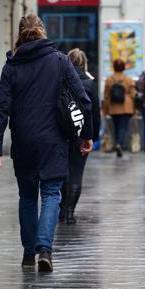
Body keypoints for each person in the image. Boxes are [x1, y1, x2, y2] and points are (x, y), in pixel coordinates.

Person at [0, 15, 93, 272]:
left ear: (20, 34)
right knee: (51, 194)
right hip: (53, 139)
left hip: (23, 140)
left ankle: (27, 254)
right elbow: (83, 99)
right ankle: (45, 249)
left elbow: (1, 109)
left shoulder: (11, 66)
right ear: (43, 32)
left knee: (27, 196)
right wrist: (85, 135)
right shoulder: (60, 61)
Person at [59, 49, 100, 225]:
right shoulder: (89, 84)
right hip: (81, 133)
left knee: (61, 172)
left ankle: (61, 208)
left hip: (60, 132)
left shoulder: (60, 80)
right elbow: (94, 111)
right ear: (84, 64)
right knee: (76, 173)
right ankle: (69, 213)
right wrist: (92, 135)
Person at [103, 59, 136, 157]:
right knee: (123, 126)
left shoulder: (109, 79)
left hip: (113, 107)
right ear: (124, 68)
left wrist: (105, 110)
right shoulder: (128, 79)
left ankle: (118, 143)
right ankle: (119, 144)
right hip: (127, 107)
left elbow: (106, 95)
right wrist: (134, 108)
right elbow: (133, 94)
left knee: (116, 127)